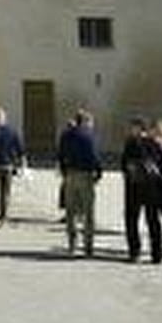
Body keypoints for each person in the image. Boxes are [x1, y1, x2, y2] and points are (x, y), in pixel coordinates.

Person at [121, 118, 162, 264]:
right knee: (153, 221)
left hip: (134, 188)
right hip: (152, 188)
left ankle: (134, 253)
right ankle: (157, 254)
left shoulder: (130, 144)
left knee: (132, 220)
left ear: (138, 128)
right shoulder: (154, 143)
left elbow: (123, 166)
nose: (130, 130)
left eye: (132, 127)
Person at [57, 109, 103, 257]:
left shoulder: (66, 135)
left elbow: (60, 155)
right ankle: (88, 246)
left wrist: (65, 172)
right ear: (85, 121)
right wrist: (98, 173)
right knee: (88, 211)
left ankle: (72, 243)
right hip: (86, 175)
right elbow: (94, 155)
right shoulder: (90, 136)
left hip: (70, 174)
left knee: (71, 211)